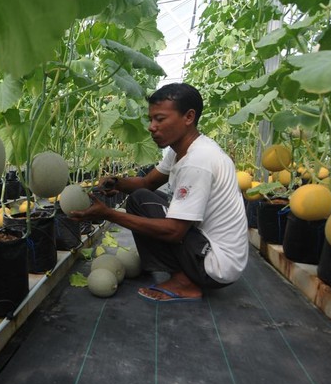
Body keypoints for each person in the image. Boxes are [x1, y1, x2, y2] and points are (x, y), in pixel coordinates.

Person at [70, 83, 249, 302]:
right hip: (206, 246)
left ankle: (185, 282)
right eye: (151, 119)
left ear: (189, 117)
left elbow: (174, 232)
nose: (151, 127)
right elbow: (147, 183)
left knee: (163, 221)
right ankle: (180, 272)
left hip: (216, 264)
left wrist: (108, 214)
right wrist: (118, 182)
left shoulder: (198, 161)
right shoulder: (179, 151)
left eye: (160, 119)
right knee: (139, 199)